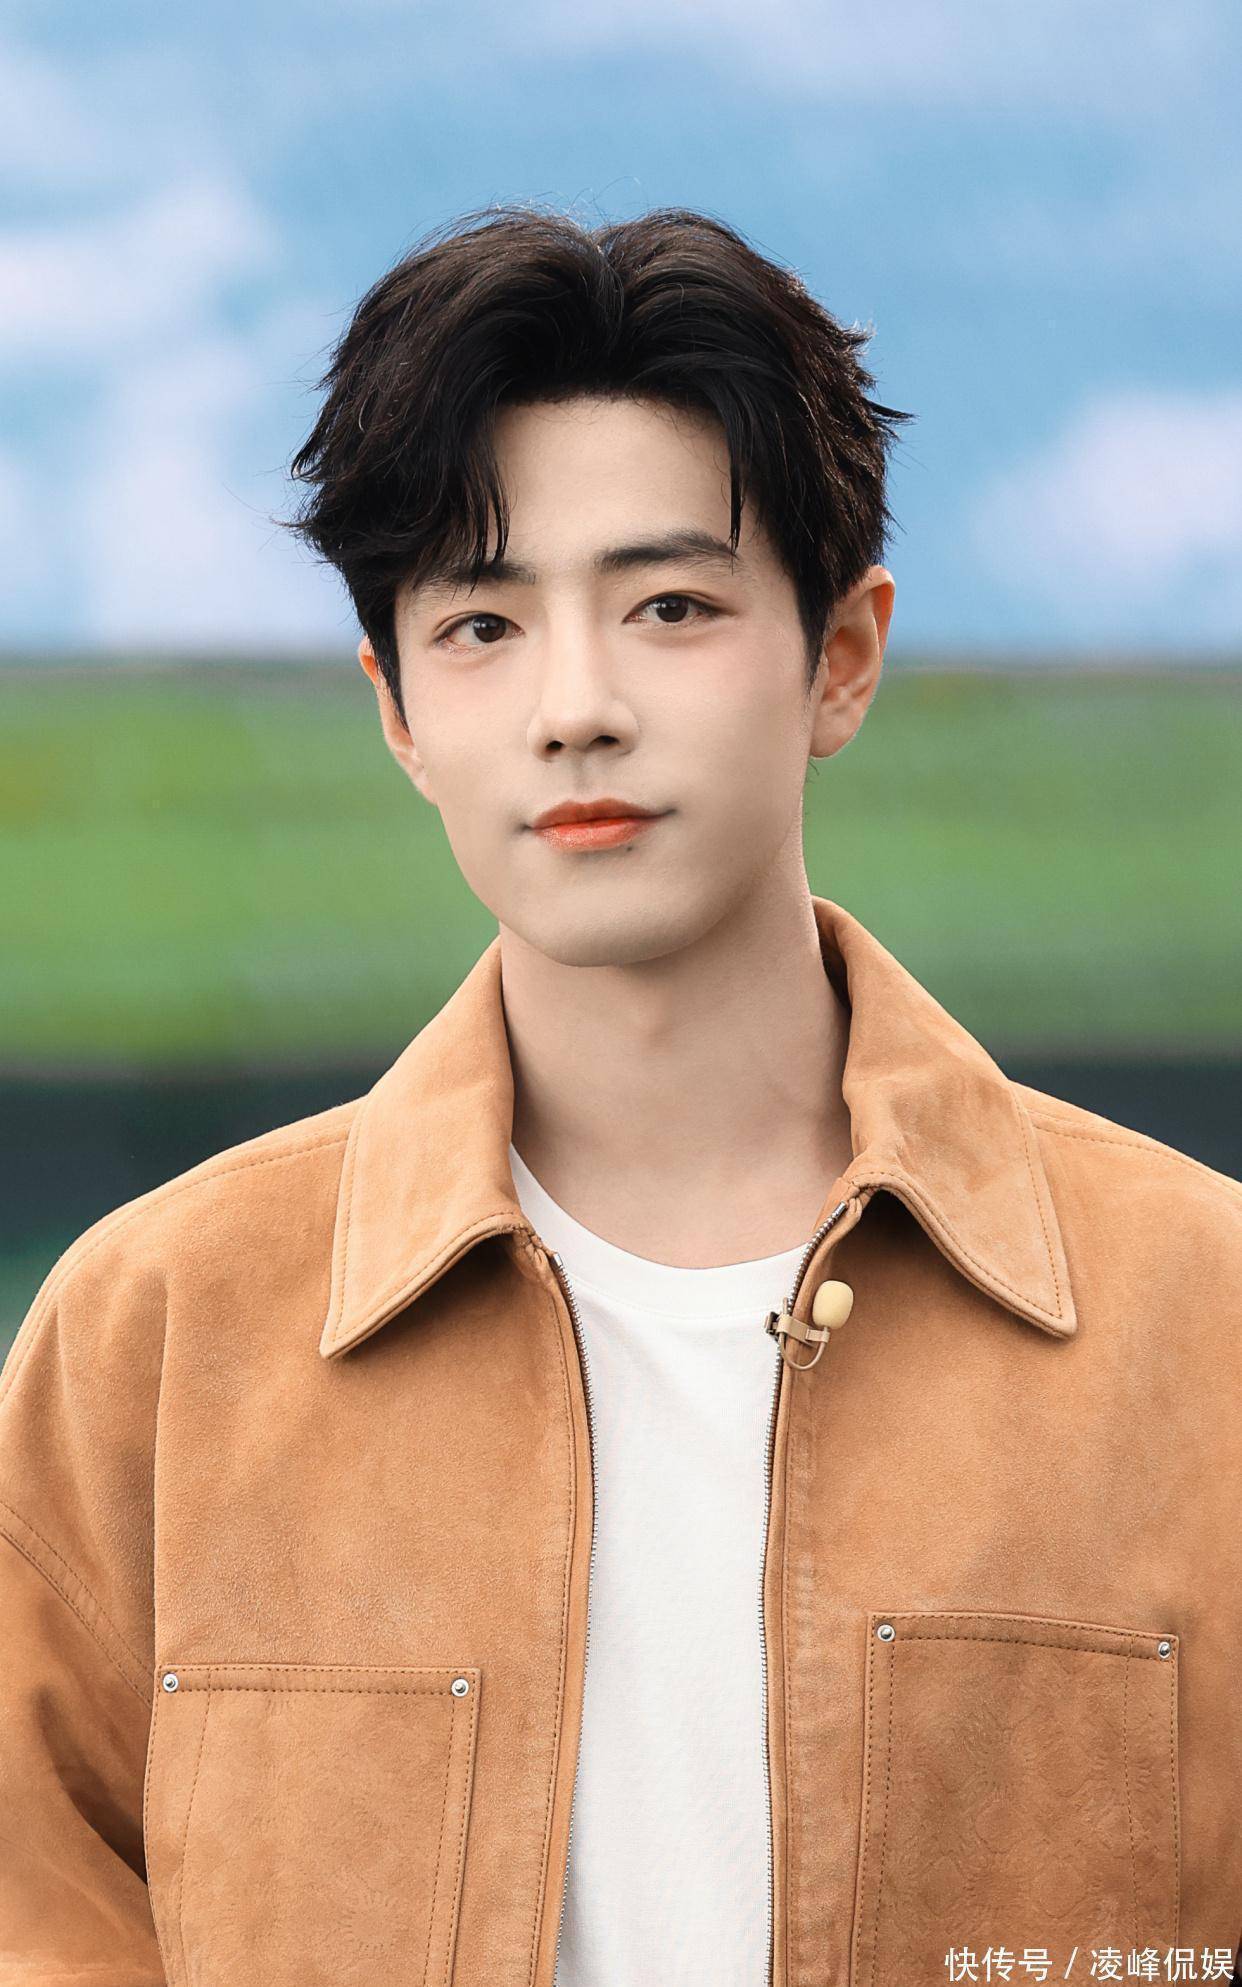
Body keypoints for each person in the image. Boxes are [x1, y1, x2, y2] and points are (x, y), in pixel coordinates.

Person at [1, 203, 1238, 1987]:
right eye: (481, 624)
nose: (573, 707)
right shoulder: (155, 1337)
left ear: (840, 656)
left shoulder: (1201, 1321)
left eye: (668, 606)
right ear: (396, 711)